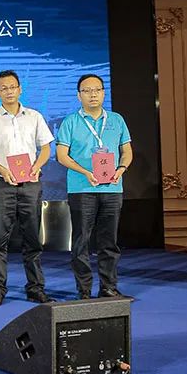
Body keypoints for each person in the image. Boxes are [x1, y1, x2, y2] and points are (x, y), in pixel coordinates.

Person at [0, 70, 55, 306]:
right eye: (3, 88)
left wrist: (37, 166)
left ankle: (35, 288)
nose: (9, 91)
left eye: (12, 87)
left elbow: (46, 147)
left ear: (20, 89)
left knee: (33, 238)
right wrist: (2, 169)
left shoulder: (34, 116)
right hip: (2, 183)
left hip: (30, 183)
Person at [56, 74, 133, 299]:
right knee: (81, 241)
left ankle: (108, 287)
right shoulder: (70, 121)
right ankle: (84, 289)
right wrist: (85, 172)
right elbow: (62, 156)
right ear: (78, 95)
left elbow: (127, 151)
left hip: (112, 188)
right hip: (82, 189)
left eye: (97, 90)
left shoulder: (116, 120)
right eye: (87, 91)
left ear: (103, 93)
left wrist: (121, 169)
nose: (93, 95)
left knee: (109, 241)